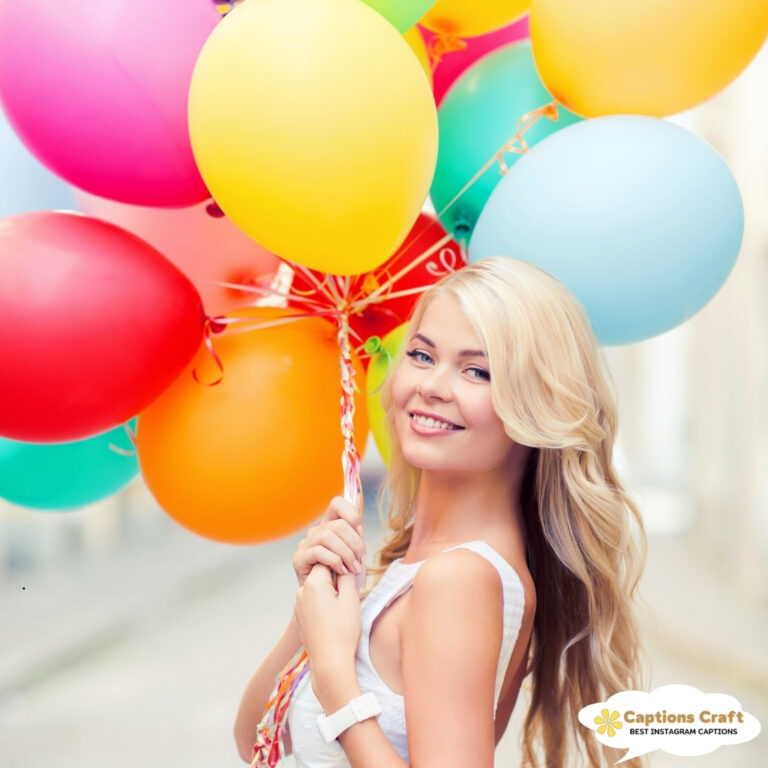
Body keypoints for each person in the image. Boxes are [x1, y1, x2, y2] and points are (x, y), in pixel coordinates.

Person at [234, 256, 647, 768]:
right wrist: (310, 620)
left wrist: (336, 676)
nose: (431, 386)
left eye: (477, 370)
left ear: (534, 406)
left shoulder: (460, 579)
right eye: (422, 355)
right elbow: (259, 742)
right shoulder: (421, 564)